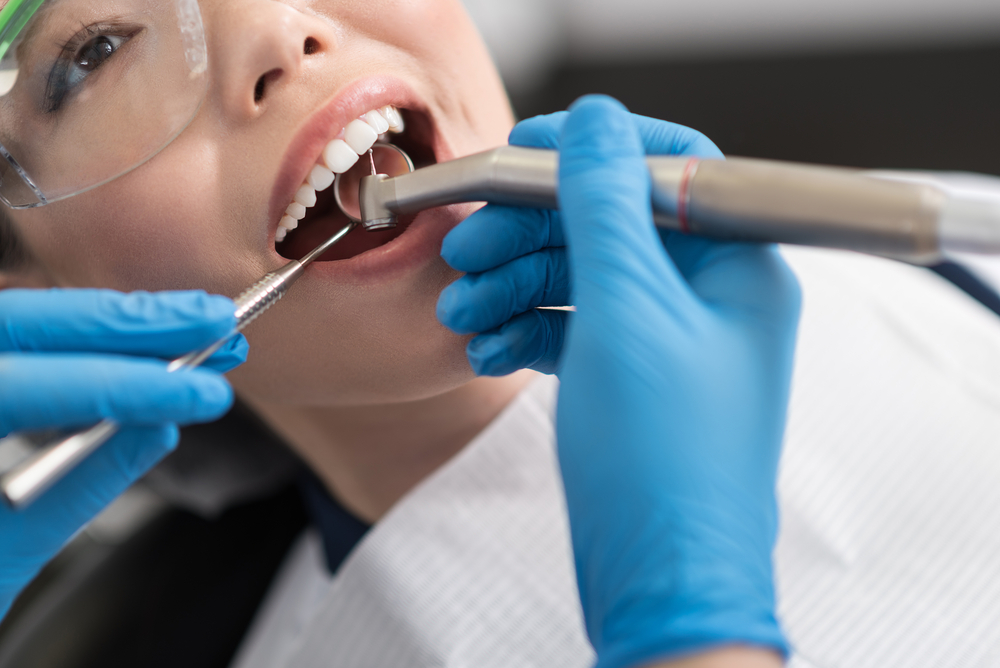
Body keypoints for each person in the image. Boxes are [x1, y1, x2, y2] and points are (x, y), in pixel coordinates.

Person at [4, 1, 1000, 667]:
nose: (278, 28)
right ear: (21, 284)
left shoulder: (954, 260)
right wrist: (684, 622)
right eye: (96, 54)